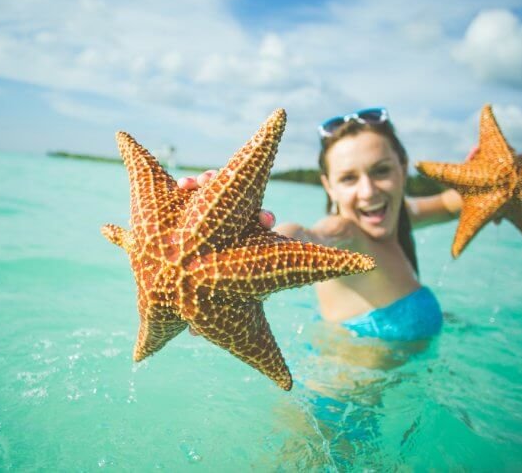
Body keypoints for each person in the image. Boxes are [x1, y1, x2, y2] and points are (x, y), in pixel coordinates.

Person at [178, 107, 470, 347]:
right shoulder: (345, 232)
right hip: (339, 409)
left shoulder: (403, 214)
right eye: (348, 179)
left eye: (381, 171)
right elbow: (305, 236)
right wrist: (247, 241)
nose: (367, 191)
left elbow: (450, 202)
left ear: (403, 168)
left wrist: (499, 171)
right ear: (328, 187)